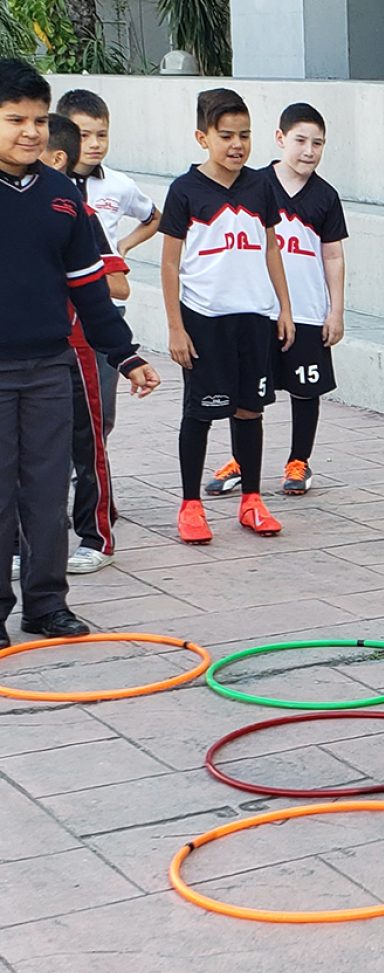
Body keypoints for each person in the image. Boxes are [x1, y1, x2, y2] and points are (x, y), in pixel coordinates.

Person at [0, 59, 160, 648]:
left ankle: (46, 605)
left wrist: (126, 355)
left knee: (46, 490)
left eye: (39, 120)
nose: (31, 132)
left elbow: (90, 286)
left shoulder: (62, 196)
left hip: (50, 368)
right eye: (15, 119)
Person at [159, 88, 294, 545]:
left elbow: (272, 246)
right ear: (203, 137)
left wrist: (284, 308)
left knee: (249, 410)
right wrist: (176, 326)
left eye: (245, 135)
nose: (237, 145)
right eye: (226, 135)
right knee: (200, 412)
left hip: (254, 317)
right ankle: (190, 505)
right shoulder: (184, 190)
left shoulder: (261, 186)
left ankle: (252, 500)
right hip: (204, 320)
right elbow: (170, 264)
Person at [206, 102, 347, 499]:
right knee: (246, 392)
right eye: (301, 140)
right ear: (280, 138)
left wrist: (335, 311)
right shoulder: (252, 185)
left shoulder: (326, 197)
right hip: (256, 309)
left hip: (306, 310)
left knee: (306, 389)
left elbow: (333, 255)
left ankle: (298, 461)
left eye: (317, 143)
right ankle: (240, 460)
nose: (309, 151)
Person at [43, 113, 129, 576]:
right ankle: (19, 546)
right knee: (20, 450)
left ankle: (97, 536)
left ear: (55, 156)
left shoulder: (80, 213)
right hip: (23, 349)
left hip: (78, 347)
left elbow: (115, 286)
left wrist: (66, 278)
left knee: (87, 440)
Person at [57, 87, 160, 458]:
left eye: (102, 134)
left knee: (101, 408)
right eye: (84, 135)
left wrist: (124, 249)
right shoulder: (50, 184)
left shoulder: (118, 184)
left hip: (103, 302)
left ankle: (90, 471)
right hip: (58, 312)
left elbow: (153, 218)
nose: (95, 143)